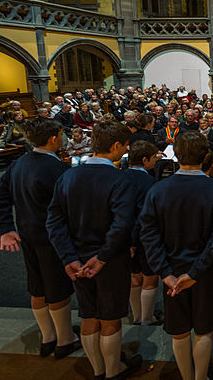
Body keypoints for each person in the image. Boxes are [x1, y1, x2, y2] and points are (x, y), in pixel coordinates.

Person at [46, 120, 142, 380]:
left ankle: (98, 370)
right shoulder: (118, 180)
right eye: (124, 147)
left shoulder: (68, 176)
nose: (124, 151)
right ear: (114, 146)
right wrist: (101, 257)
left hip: (77, 259)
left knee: (89, 314)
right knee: (110, 317)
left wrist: (68, 257)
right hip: (109, 259)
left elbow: (54, 221)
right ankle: (113, 370)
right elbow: (122, 225)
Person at [140, 130, 213, 380]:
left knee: (179, 331)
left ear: (176, 155)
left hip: (172, 268)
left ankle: (187, 376)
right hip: (205, 271)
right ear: (205, 156)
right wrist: (195, 272)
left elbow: (149, 235)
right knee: (203, 329)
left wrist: (165, 273)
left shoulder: (159, 190)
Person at [0, 117, 81, 360]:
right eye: (62, 135)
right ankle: (65, 340)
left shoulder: (17, 164)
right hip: (53, 239)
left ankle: (47, 336)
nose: (63, 139)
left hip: (27, 235)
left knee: (37, 286)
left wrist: (6, 228)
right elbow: (70, 208)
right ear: (54, 139)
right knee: (57, 288)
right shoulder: (57, 169)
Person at [122, 140, 160, 327]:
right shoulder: (150, 183)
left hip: (122, 236)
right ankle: (147, 318)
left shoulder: (119, 177)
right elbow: (144, 215)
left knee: (133, 277)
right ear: (145, 160)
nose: (155, 161)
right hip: (144, 238)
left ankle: (136, 316)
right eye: (154, 158)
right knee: (149, 278)